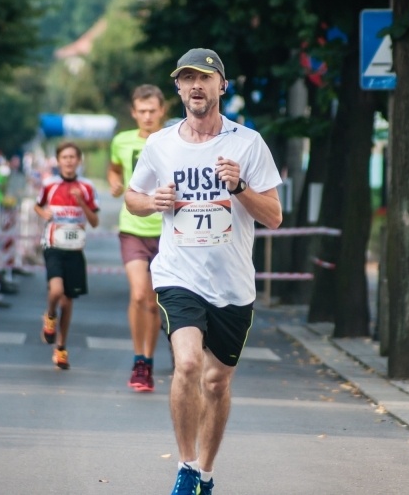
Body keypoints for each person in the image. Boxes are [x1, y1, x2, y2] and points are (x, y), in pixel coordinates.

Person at [125, 48, 283, 495]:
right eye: (188, 78)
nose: (197, 85)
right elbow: (133, 198)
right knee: (189, 363)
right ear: (178, 88)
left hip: (233, 284)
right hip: (179, 274)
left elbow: (273, 216)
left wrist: (239, 187)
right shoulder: (161, 144)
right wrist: (153, 200)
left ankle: (207, 474)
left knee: (216, 382)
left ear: (222, 86)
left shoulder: (247, 144)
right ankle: (187, 467)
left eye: (206, 77)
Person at [107, 84, 166, 392]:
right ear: (133, 112)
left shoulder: (173, 140)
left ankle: (150, 361)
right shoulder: (121, 140)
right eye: (141, 111)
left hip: (166, 229)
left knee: (154, 302)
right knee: (139, 294)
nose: (146, 116)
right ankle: (138, 360)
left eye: (151, 111)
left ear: (162, 111)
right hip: (132, 227)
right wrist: (115, 183)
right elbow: (114, 169)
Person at [36, 142, 99, 370]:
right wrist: (44, 213)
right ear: (58, 160)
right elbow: (38, 205)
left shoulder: (87, 187)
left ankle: (61, 348)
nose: (69, 161)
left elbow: (94, 221)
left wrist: (81, 202)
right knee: (56, 291)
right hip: (53, 245)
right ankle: (50, 315)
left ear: (79, 161)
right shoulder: (50, 184)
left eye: (73, 157)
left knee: (68, 301)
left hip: (75, 249)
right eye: (65, 157)